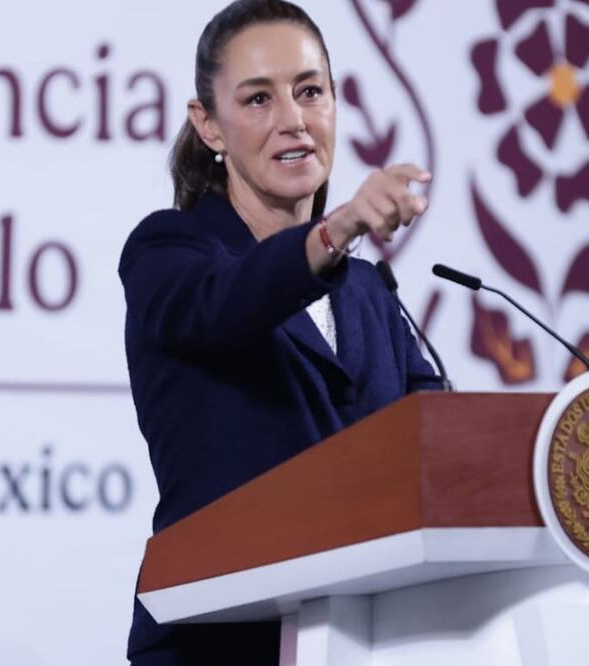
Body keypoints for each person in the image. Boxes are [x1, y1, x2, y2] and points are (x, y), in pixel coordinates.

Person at [118, 1, 442, 663]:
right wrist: (339, 228)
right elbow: (231, 304)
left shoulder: (368, 293)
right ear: (209, 125)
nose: (294, 121)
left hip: (366, 640)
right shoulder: (167, 254)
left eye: (310, 91)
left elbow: (437, 449)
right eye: (259, 99)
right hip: (218, 642)